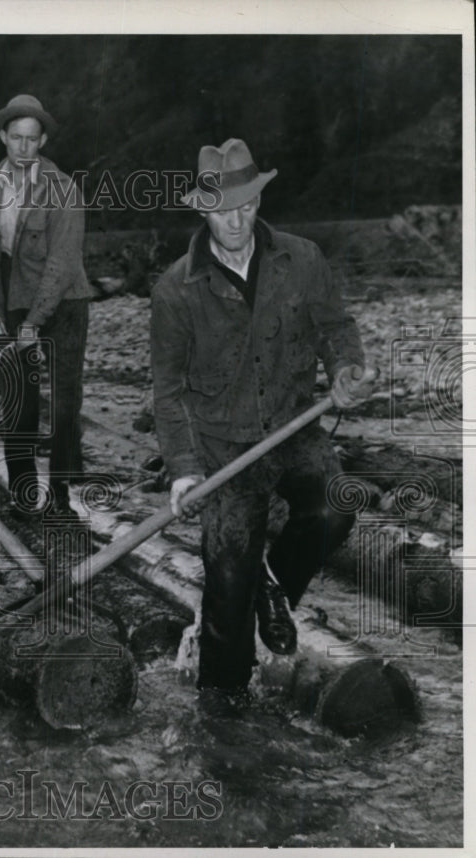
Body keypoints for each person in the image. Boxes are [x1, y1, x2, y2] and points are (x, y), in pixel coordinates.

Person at [150, 139, 375, 709]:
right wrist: (181, 470)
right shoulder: (176, 288)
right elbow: (168, 388)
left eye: (247, 204)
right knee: (227, 580)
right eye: (224, 208)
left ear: (258, 200)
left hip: (294, 426)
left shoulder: (302, 258)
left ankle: (272, 583)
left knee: (333, 505)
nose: (236, 219)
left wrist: (347, 368)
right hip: (223, 446)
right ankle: (224, 710)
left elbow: (335, 326)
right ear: (203, 208)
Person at [0, 94, 93, 519]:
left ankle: (61, 497)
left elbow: (61, 265)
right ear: (4, 136)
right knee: (17, 399)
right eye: (16, 137)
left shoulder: (64, 190)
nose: (23, 147)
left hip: (66, 303)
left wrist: (35, 322)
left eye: (32, 139)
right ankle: (23, 492)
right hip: (15, 301)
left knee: (63, 403)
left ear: (41, 141)